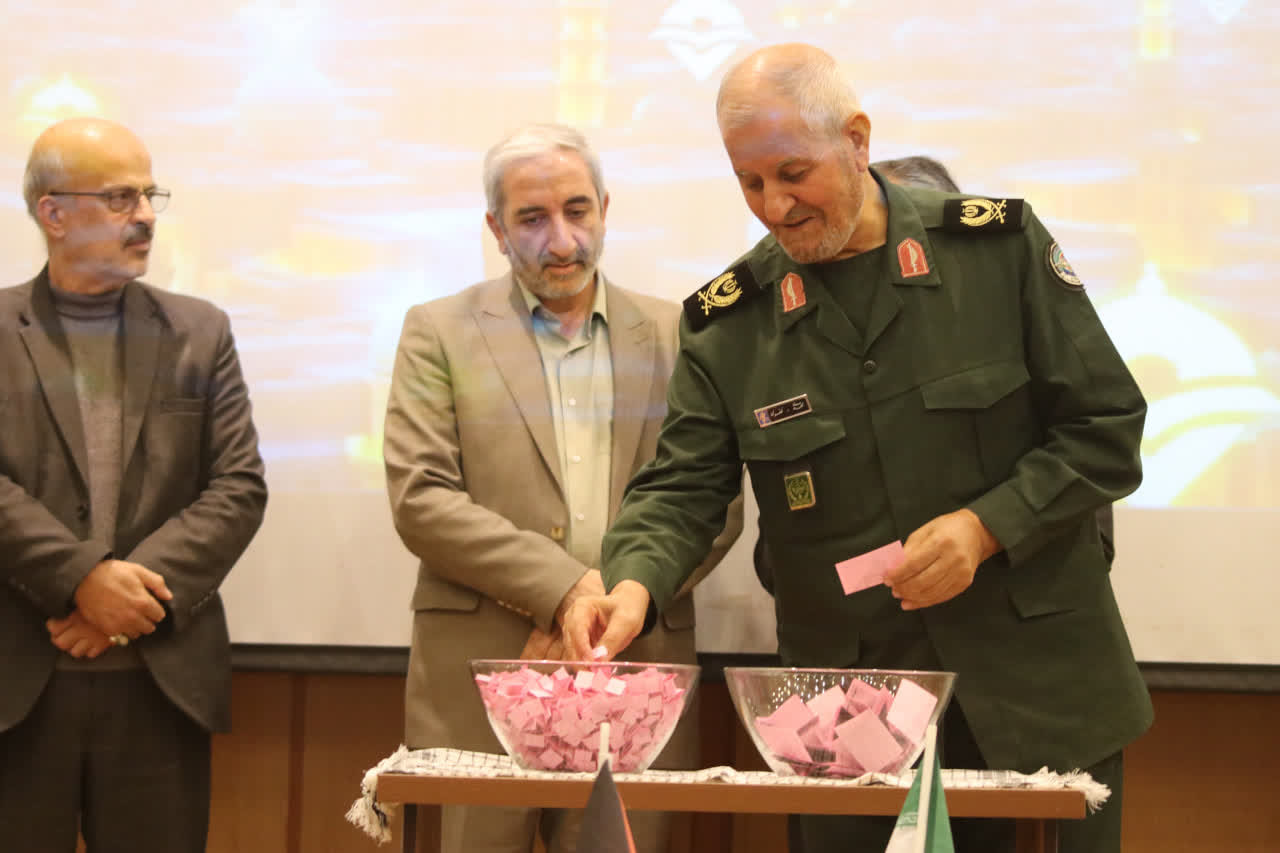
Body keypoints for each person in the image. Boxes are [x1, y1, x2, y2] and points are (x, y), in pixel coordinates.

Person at [564, 44, 1150, 853]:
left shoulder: (996, 254)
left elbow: (1106, 424)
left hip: (1041, 693)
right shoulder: (731, 324)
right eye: (749, 182)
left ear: (857, 139)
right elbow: (682, 489)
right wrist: (630, 582)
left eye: (793, 173)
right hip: (847, 723)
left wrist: (986, 526)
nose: (774, 205)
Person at [383, 122, 742, 853]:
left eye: (578, 211)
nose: (562, 241)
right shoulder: (438, 331)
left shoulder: (679, 332)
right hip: (486, 673)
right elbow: (422, 497)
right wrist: (563, 591)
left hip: (636, 667)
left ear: (605, 208)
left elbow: (715, 499)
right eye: (531, 219)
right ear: (495, 228)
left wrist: (613, 600)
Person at [0, 118, 267, 852]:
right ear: (54, 214)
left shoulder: (200, 331)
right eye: (120, 197)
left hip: (159, 683)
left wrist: (122, 608)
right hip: (17, 682)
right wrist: (82, 578)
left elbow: (238, 486)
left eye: (150, 195)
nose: (145, 215)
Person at [753, 156, 1116, 597]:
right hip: (867, 631)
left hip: (1010, 624)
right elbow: (778, 563)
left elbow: (1093, 530)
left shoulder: (1020, 335)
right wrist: (883, 568)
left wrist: (983, 534)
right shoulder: (809, 367)